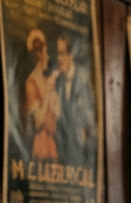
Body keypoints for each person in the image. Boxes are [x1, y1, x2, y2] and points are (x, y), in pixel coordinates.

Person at [53, 33, 96, 169]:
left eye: (62, 54)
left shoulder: (84, 81)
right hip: (62, 157)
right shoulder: (58, 82)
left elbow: (91, 125)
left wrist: (89, 159)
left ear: (71, 55)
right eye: (57, 54)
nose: (59, 59)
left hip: (81, 158)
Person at [23, 29, 60, 162]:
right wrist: (49, 93)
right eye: (45, 53)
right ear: (39, 55)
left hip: (51, 141)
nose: (48, 58)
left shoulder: (47, 81)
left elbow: (57, 113)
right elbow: (37, 121)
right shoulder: (31, 82)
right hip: (39, 144)